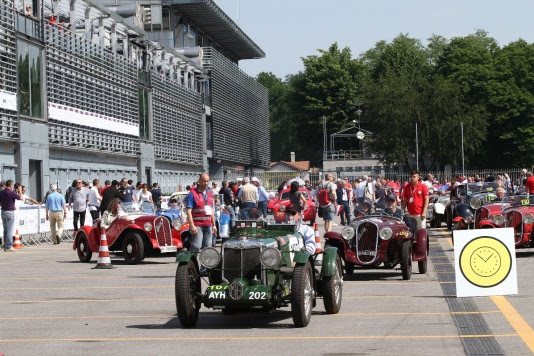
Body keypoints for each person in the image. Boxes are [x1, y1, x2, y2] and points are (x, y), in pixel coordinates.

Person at [186, 173, 217, 253]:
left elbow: (211, 211)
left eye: (207, 181)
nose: (206, 183)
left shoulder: (209, 193)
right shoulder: (192, 194)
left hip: (208, 225)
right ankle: (190, 263)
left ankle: (205, 265)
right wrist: (192, 226)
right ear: (199, 181)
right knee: (197, 246)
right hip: (197, 225)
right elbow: (189, 211)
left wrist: (214, 225)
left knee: (208, 248)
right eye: (204, 181)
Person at [0, 180, 20, 251]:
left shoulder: (1, 192)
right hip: (9, 211)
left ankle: (5, 245)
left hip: (3, 211)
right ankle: (8, 246)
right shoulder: (11, 193)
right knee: (9, 230)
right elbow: (20, 197)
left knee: (5, 229)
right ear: (11, 185)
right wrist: (19, 190)